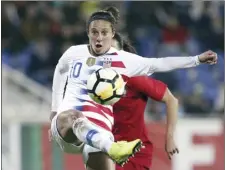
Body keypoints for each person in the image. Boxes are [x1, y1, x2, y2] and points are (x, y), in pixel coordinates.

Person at [50, 6, 218, 170]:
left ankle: (109, 146)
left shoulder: (127, 68)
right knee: (72, 116)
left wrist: (196, 59)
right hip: (70, 129)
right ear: (88, 33)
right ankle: (111, 147)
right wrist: (54, 110)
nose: (99, 38)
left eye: (105, 34)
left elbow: (160, 64)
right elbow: (60, 69)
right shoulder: (74, 53)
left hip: (103, 138)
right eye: (95, 32)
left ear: (112, 36)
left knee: (99, 146)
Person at [110, 32, 218, 170]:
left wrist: (170, 138)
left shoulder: (134, 78)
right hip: (103, 148)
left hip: (132, 153)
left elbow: (171, 100)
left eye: (113, 52)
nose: (108, 58)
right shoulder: (90, 80)